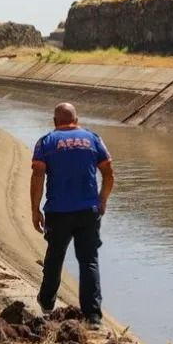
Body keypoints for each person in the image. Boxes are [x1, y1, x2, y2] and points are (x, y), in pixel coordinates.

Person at [31, 102, 114, 330]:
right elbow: (108, 172)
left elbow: (38, 176)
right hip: (88, 211)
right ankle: (93, 317)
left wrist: (35, 209)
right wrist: (103, 198)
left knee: (54, 257)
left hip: (58, 212)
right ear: (77, 120)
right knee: (88, 260)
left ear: (55, 121)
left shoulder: (46, 142)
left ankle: (47, 303)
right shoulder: (92, 138)